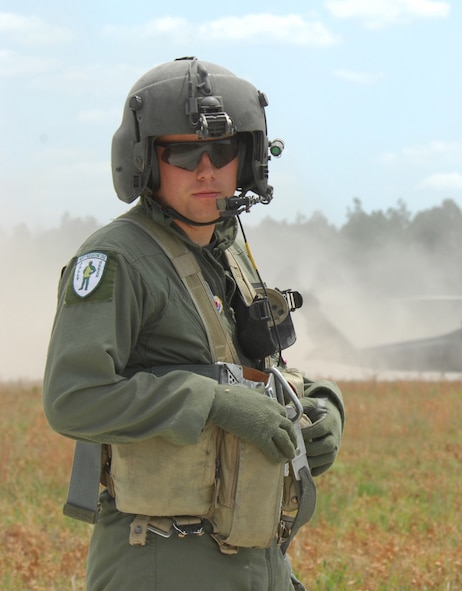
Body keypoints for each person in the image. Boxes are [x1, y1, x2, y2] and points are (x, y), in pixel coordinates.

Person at [42, 57, 344, 591]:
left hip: (254, 554)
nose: (206, 170)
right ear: (144, 162)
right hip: (162, 560)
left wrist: (323, 405)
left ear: (246, 158)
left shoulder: (226, 251)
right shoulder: (117, 260)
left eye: (221, 151)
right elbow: (73, 398)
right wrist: (212, 403)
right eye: (182, 153)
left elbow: (248, 372)